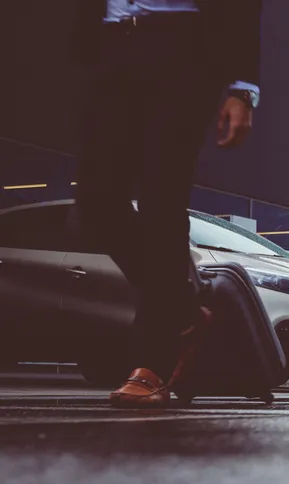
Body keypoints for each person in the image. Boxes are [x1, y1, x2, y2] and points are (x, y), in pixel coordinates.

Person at [73, 0, 262, 408]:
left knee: (162, 202)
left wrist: (243, 86)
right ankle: (184, 313)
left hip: (181, 44)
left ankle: (152, 363)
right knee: (95, 200)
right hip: (111, 42)